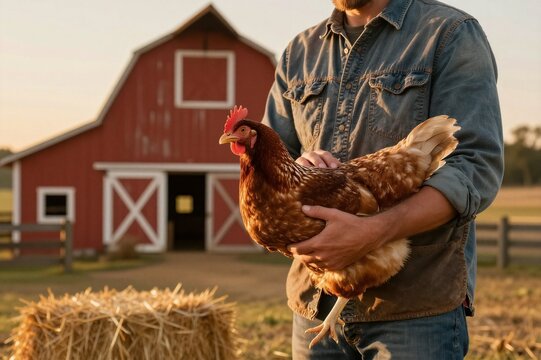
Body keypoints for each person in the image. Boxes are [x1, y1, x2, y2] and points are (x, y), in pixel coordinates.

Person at [262, 0, 504, 359]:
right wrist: (299, 165)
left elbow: (475, 166)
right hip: (315, 303)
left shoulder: (447, 33)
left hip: (413, 309)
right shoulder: (301, 52)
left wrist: (375, 232)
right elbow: (271, 156)